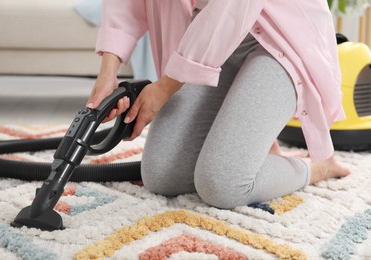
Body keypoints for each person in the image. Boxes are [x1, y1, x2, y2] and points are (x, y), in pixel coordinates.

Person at [86, 0, 350, 209]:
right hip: (209, 33)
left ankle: (318, 168)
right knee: (162, 175)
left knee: (222, 184)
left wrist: (166, 87)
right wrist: (108, 71)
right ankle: (256, 148)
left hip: (279, 36)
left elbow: (234, 6)